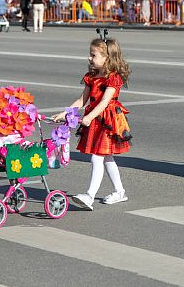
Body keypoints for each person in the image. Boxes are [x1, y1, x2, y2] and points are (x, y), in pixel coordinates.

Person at [51, 37, 132, 209]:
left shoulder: (113, 78)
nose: (89, 58)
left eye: (93, 55)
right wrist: (64, 112)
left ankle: (89, 195)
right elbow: (81, 100)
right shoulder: (91, 76)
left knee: (97, 157)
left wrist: (88, 117)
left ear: (107, 58)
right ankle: (120, 191)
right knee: (106, 157)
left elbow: (104, 102)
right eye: (90, 54)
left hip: (108, 120)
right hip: (95, 119)